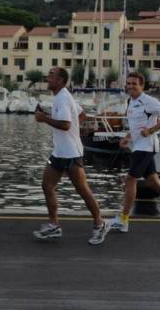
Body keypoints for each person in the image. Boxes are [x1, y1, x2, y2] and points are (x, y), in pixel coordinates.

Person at [32, 67, 109, 245]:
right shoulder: (63, 96)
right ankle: (54, 226)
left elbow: (66, 125)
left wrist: (44, 119)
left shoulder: (63, 98)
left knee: (82, 190)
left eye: (51, 75)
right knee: (47, 185)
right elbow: (81, 114)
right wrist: (75, 128)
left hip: (71, 153)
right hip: (60, 151)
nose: (47, 77)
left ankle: (100, 223)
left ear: (60, 81)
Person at [109, 72, 160, 233]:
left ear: (142, 86)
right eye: (129, 83)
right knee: (154, 183)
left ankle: (123, 220)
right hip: (137, 146)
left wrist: (152, 129)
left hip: (146, 147)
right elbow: (136, 126)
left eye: (135, 83)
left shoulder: (149, 101)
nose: (131, 86)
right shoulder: (131, 101)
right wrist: (127, 137)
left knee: (130, 179)